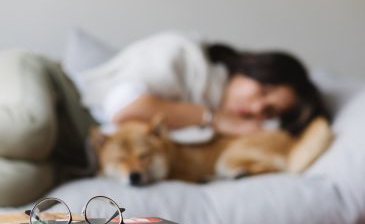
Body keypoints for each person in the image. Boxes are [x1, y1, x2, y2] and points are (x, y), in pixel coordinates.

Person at [76, 32, 328, 137]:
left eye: (269, 111)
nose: (256, 108)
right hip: (62, 96)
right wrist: (213, 117)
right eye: (263, 90)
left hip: (78, 142)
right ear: (250, 65)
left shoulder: (209, 112)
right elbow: (125, 109)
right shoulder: (186, 57)